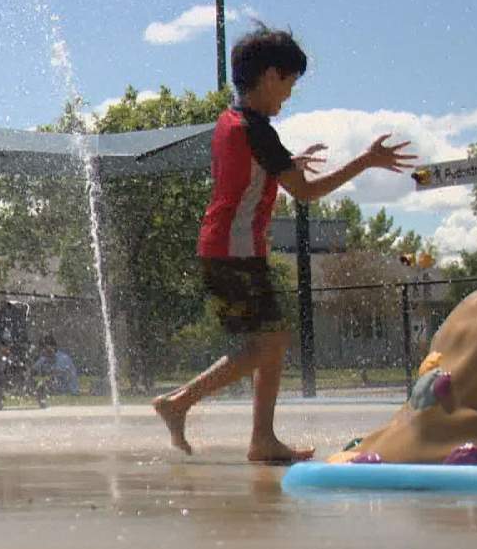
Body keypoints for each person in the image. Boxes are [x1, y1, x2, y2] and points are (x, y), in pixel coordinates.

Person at [152, 25, 416, 462]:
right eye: (290, 84)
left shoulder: (230, 121)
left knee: (271, 340)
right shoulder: (259, 131)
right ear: (271, 75)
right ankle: (178, 402)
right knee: (266, 344)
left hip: (229, 249)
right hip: (233, 252)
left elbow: (246, 170)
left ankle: (262, 439)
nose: (289, 96)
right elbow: (308, 193)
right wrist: (365, 160)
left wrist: (286, 163)